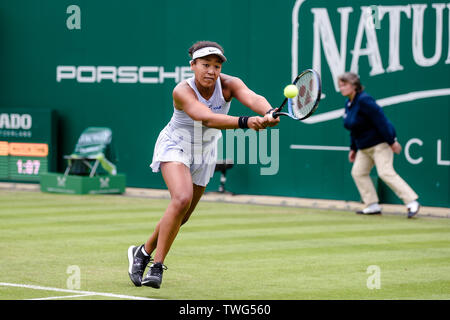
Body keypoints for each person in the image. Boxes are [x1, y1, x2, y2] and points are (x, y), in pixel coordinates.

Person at [127, 41, 280, 289]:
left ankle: (141, 252)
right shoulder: (182, 91)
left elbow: (253, 97)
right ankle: (156, 266)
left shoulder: (230, 84)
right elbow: (205, 117)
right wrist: (247, 122)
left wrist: (269, 111)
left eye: (216, 66)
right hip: (176, 145)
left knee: (182, 216)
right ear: (193, 66)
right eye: (205, 65)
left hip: (204, 152)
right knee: (181, 199)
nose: (211, 71)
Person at [338, 72, 420, 218]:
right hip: (363, 147)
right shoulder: (349, 103)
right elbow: (353, 128)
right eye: (340, 85)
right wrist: (353, 148)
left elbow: (381, 120)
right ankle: (372, 205)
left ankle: (412, 202)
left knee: (385, 172)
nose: (341, 88)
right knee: (358, 173)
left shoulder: (364, 100)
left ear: (354, 85)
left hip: (379, 144)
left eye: (344, 85)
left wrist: (391, 141)